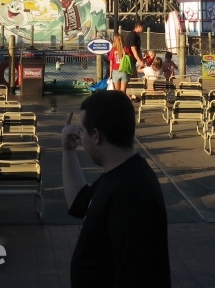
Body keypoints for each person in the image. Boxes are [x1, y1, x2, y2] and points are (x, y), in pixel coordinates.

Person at [61, 91, 170, 288]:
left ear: (96, 136)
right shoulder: (120, 174)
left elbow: (134, 276)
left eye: (82, 132)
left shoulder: (131, 193)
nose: (81, 138)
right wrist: (68, 151)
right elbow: (79, 203)